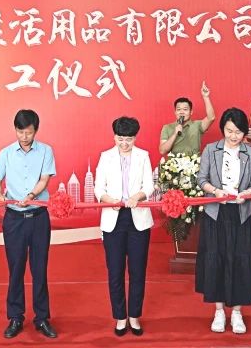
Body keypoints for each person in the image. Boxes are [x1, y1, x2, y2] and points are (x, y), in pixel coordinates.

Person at [195, 108, 251, 335]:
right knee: (216, 258)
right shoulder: (211, 149)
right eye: (229, 131)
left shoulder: (250, 153)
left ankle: (237, 312)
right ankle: (218, 311)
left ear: (244, 132)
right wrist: (215, 191)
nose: (234, 136)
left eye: (238, 132)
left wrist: (247, 193)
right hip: (216, 213)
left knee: (240, 259)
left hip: (241, 214)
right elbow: (201, 179)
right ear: (223, 129)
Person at [0, 109, 58, 339]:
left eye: (28, 132)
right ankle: (15, 317)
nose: (24, 137)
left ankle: (42, 318)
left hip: (38, 217)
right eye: (20, 132)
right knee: (16, 269)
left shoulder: (46, 151)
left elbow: (44, 179)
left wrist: (31, 195)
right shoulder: (6, 153)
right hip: (14, 219)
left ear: (35, 130)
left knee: (40, 269)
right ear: (15, 130)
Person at [94, 116, 155, 337]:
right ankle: (120, 317)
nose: (124, 143)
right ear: (114, 137)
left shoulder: (143, 156)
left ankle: (134, 316)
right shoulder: (106, 157)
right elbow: (98, 188)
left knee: (138, 271)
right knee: (115, 271)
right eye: (120, 139)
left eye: (129, 139)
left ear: (135, 137)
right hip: (114, 219)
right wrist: (109, 199)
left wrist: (137, 196)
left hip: (138, 218)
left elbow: (149, 186)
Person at [158, 82, 216, 156]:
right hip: (174, 163)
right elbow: (162, 151)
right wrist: (175, 133)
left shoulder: (197, 125)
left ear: (191, 112)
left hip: (194, 162)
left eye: (185, 109)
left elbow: (211, 117)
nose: (181, 112)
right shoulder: (167, 127)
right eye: (179, 109)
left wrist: (206, 97)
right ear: (175, 112)